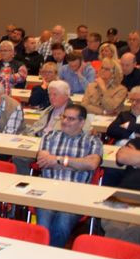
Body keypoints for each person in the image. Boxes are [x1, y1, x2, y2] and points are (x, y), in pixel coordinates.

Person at [34, 104, 103, 248]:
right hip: (48, 191)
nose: (65, 121)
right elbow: (43, 161)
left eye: (71, 119)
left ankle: (50, 255)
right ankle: (43, 254)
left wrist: (59, 160)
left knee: (61, 225)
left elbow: (91, 164)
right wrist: (78, 164)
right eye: (64, 117)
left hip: (76, 194)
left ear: (82, 122)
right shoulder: (49, 136)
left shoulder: (92, 141)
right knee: (43, 227)